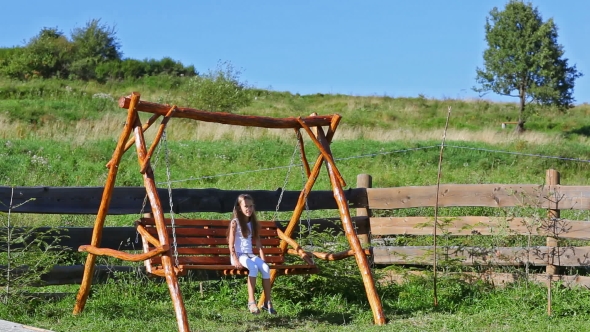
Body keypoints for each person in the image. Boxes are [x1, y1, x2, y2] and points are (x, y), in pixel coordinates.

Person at [227, 194, 277, 315]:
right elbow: (231, 244)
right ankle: (251, 302)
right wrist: (235, 259)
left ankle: (267, 302)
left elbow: (258, 243)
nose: (249, 209)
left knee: (266, 268)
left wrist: (263, 258)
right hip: (239, 255)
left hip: (249, 255)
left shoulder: (252, 223)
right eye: (246, 206)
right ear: (239, 208)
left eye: (251, 206)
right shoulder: (235, 222)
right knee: (253, 268)